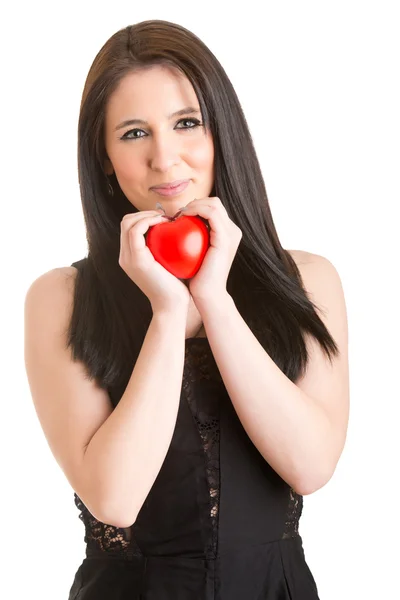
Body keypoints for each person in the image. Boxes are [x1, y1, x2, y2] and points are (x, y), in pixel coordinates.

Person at [23, 19, 349, 599]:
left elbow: (311, 466)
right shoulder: (61, 297)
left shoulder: (309, 279)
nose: (164, 158)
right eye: (132, 133)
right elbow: (115, 498)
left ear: (221, 132)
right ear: (102, 158)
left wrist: (214, 299)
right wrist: (169, 313)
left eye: (186, 123)